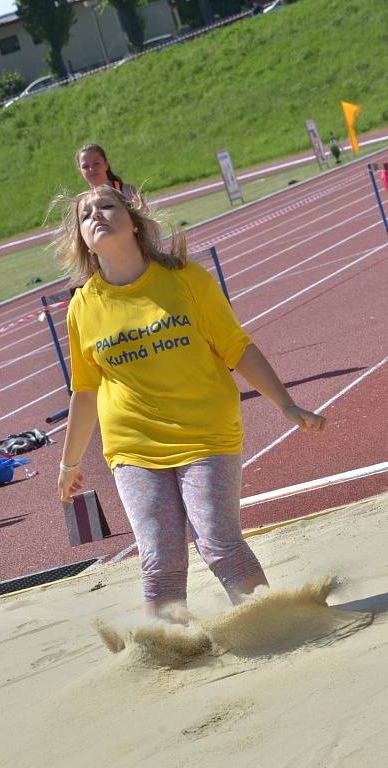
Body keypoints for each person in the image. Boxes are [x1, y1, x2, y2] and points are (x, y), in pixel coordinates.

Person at [56, 185, 326, 617]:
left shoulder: (184, 278)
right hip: (134, 448)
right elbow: (85, 390)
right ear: (82, 240)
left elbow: (237, 347)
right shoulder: (82, 307)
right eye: (86, 214)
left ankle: (278, 624)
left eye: (107, 206)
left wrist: (286, 403)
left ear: (134, 221)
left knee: (218, 541)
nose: (97, 216)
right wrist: (69, 464)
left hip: (206, 435)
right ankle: (169, 652)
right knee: (159, 559)